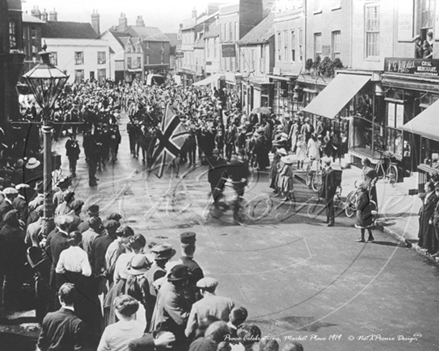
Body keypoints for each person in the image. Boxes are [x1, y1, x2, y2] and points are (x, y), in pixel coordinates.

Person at [150, 265, 193, 351]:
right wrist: (196, 312)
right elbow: (181, 319)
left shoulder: (170, 285)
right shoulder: (170, 297)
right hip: (167, 331)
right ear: (183, 281)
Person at [37, 283, 85, 351]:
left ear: (60, 299)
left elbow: (41, 345)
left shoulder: (48, 317)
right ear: (75, 299)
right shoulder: (78, 324)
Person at [418, 182, 439, 255]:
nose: (424, 188)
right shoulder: (427, 195)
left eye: (425, 187)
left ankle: (429, 247)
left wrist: (431, 218)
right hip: (424, 215)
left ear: (429, 188)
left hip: (429, 216)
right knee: (423, 230)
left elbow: (434, 209)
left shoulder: (434, 197)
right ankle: (423, 245)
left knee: (429, 232)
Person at [321, 158, 337, 227]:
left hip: (329, 191)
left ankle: (331, 220)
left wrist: (331, 191)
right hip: (325, 190)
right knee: (326, 205)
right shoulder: (325, 170)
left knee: (330, 206)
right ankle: (327, 218)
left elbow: (333, 183)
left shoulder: (331, 172)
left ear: (325, 163)